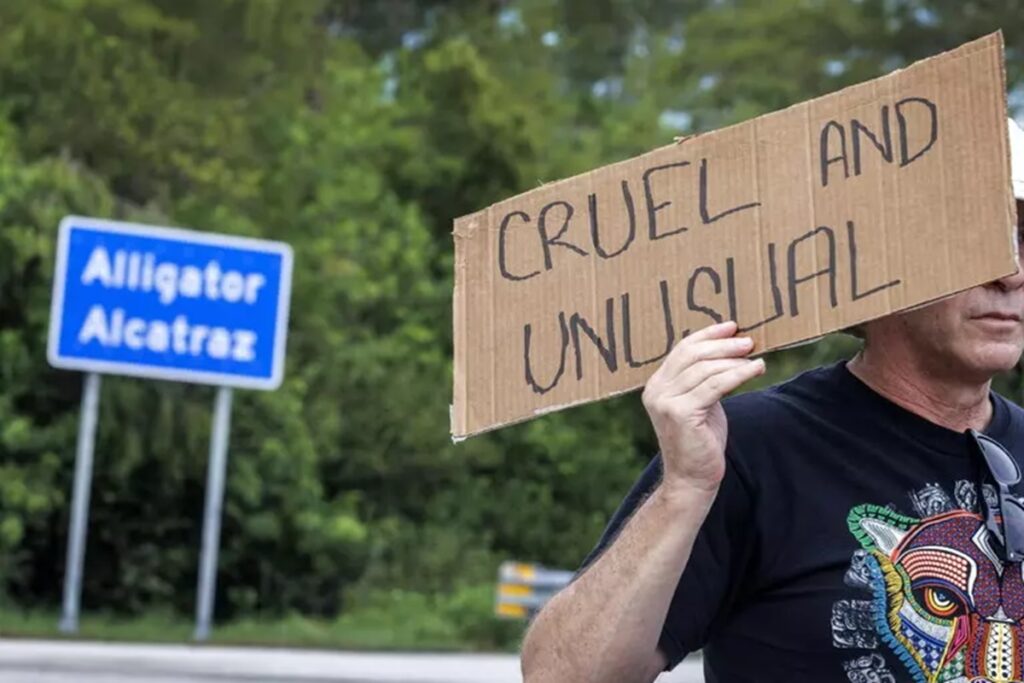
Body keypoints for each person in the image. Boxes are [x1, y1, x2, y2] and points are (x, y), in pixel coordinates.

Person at [520, 118, 1024, 683]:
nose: (1011, 273)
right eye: (974, 238)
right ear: (884, 263)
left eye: (1023, 239)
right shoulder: (749, 446)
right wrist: (685, 490)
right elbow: (562, 677)